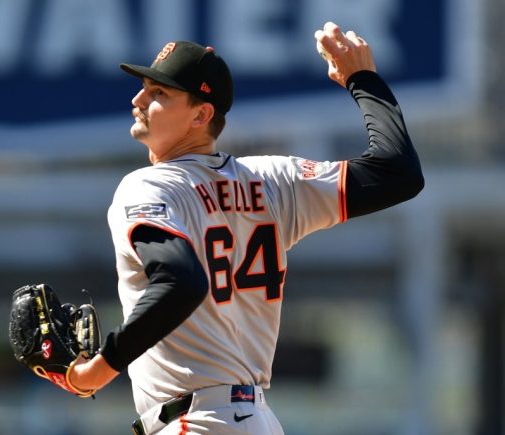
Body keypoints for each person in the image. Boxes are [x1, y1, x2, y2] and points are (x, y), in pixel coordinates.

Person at [67, 21, 424, 435]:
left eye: (159, 93)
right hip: (255, 420)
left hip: (197, 421)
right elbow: (398, 173)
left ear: (201, 114)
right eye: (145, 87)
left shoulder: (148, 186)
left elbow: (180, 281)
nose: (138, 99)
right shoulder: (273, 180)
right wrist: (362, 78)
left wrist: (97, 370)